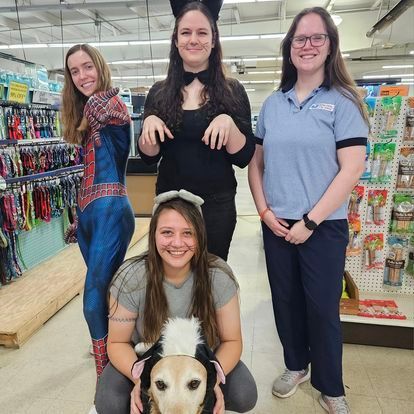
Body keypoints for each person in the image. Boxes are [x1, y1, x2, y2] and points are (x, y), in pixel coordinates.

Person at [248, 7, 369, 414]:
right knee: (285, 301)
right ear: (290, 48)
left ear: (331, 46)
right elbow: (256, 164)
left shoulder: (343, 103)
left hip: (323, 227)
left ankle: (331, 387)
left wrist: (311, 220)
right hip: (277, 224)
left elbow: (351, 169)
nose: (308, 45)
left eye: (318, 38)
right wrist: (265, 212)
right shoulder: (273, 104)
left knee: (322, 307)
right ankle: (295, 365)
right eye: (300, 38)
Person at [94, 190, 257, 414]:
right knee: (109, 402)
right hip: (145, 358)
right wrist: (141, 379)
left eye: (188, 233)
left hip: (202, 359)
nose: (177, 243)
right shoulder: (130, 277)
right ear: (153, 235)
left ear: (199, 236)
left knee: (244, 393)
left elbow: (231, 340)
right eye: (167, 232)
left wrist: (211, 381)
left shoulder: (218, 275)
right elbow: (117, 343)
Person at [138, 0, 256, 261]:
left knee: (211, 279)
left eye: (202, 33)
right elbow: (148, 157)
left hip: (217, 207)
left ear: (214, 40)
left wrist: (229, 123)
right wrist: (147, 126)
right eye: (186, 33)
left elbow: (244, 156)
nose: (194, 40)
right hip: (171, 205)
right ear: (176, 40)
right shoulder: (159, 93)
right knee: (171, 281)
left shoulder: (232, 90)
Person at [61, 44, 135, 378]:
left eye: (87, 67)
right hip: (91, 215)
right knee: (106, 293)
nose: (82, 77)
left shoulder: (105, 104)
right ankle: (121, 351)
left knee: (92, 298)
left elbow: (117, 116)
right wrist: (79, 215)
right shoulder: (86, 113)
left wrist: (101, 102)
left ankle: (104, 374)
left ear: (100, 66)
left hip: (111, 211)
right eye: (74, 71)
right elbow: (92, 168)